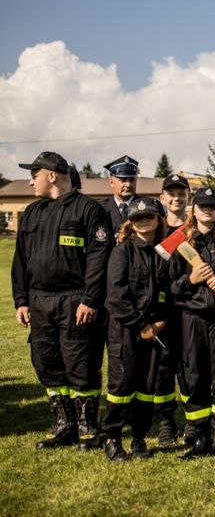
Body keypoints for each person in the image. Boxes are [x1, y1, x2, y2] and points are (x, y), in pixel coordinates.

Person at [12, 151, 112, 451]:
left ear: (52, 175)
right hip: (40, 301)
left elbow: (99, 259)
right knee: (47, 364)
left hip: (75, 301)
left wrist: (90, 299)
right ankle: (65, 426)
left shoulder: (89, 210)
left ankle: (88, 430)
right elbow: (21, 260)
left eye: (34, 175)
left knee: (81, 363)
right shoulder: (31, 212)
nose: (31, 182)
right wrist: (22, 300)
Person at [169, 187, 215, 461]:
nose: (207, 210)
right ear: (194, 209)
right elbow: (171, 287)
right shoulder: (180, 242)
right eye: (202, 205)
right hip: (192, 318)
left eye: (212, 206)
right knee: (195, 377)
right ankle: (200, 438)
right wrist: (191, 280)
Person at [102, 197, 170, 461]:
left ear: (157, 220)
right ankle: (113, 438)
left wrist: (161, 321)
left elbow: (166, 292)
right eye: (137, 218)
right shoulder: (122, 251)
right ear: (131, 222)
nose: (143, 221)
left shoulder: (162, 254)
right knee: (121, 386)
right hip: (126, 330)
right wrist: (141, 325)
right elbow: (116, 296)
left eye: (149, 217)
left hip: (154, 331)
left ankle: (139, 438)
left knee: (146, 387)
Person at [154, 173, 191, 446]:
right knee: (163, 368)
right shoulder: (154, 229)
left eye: (182, 193)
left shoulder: (197, 228)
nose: (177, 198)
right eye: (172, 193)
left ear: (188, 198)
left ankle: (193, 419)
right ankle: (166, 420)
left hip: (191, 308)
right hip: (162, 308)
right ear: (162, 198)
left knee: (190, 366)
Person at [99, 155, 141, 235]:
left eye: (132, 179)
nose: (128, 184)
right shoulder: (100, 207)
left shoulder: (147, 206)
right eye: (123, 180)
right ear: (111, 182)